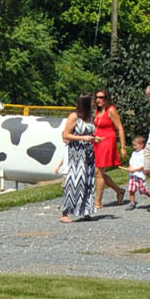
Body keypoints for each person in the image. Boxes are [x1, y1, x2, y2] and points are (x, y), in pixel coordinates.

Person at [59, 93, 98, 222]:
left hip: (89, 152)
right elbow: (66, 135)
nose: (95, 103)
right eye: (92, 101)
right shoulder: (74, 116)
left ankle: (86, 210)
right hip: (77, 153)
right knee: (75, 181)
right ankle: (65, 212)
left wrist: (94, 138)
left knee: (89, 180)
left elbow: (89, 131)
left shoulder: (90, 117)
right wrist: (82, 137)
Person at [92, 89, 129, 210]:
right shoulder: (98, 111)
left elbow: (120, 128)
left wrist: (123, 146)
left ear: (106, 98)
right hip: (97, 141)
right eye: (97, 97)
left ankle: (98, 201)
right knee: (98, 172)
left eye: (101, 97)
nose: (99, 100)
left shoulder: (111, 110)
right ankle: (119, 190)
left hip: (107, 140)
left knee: (99, 172)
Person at [125, 136, 150, 208]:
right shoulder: (134, 153)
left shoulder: (143, 153)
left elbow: (143, 165)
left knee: (143, 190)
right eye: (134, 145)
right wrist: (130, 167)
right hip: (133, 175)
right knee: (131, 189)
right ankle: (132, 202)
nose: (134, 147)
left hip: (140, 175)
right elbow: (131, 162)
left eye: (136, 145)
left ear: (141, 144)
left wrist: (134, 169)